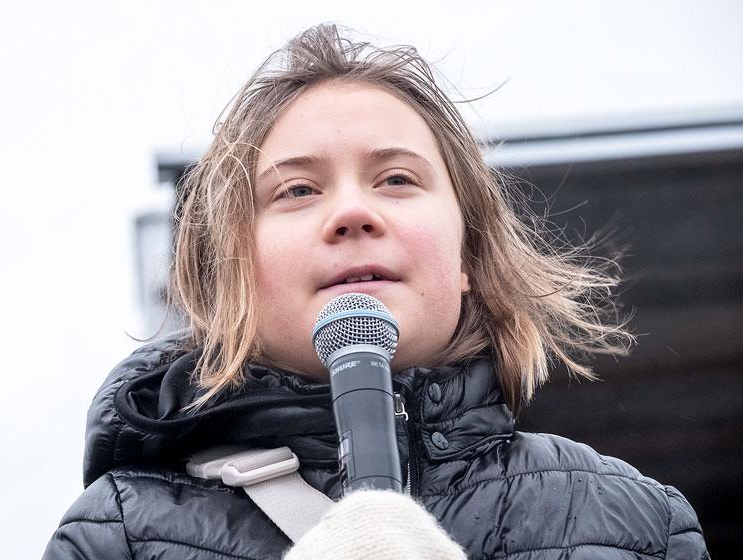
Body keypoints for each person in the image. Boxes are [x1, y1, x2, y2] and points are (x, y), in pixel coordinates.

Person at [42, 24, 709, 559]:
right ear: (233, 275)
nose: (352, 212)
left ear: (466, 253)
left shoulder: (638, 524)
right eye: (296, 190)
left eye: (395, 179)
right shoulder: (118, 534)